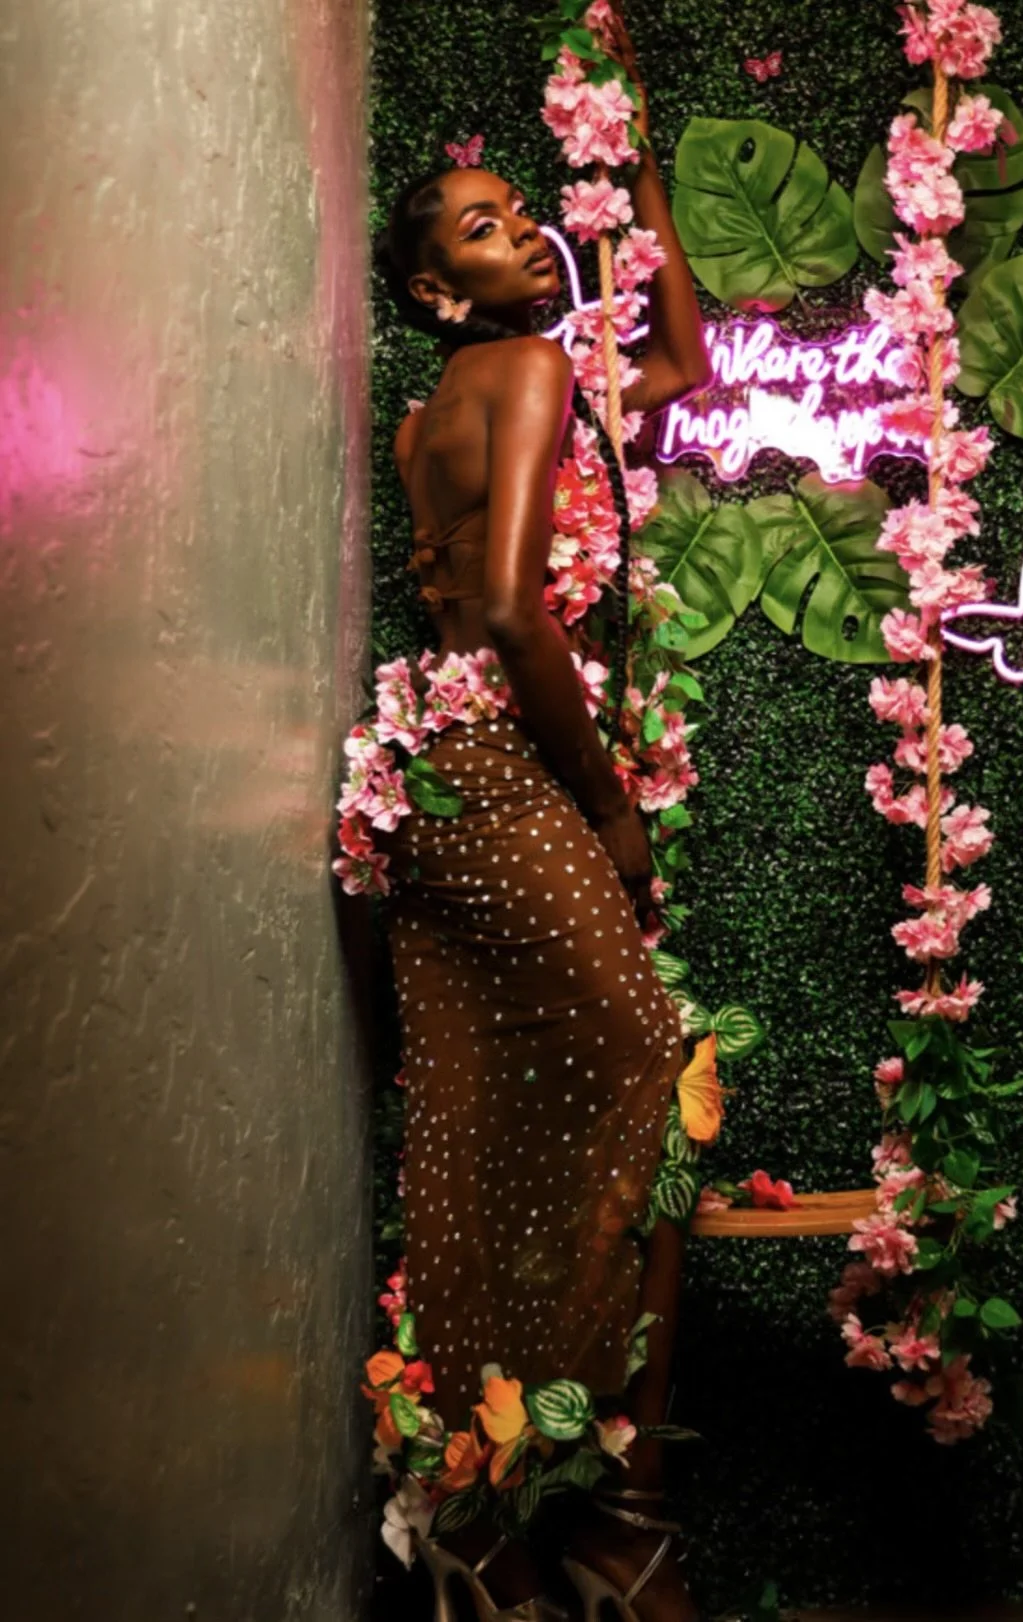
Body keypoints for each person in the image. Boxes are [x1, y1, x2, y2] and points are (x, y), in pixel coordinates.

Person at [363, 13, 712, 1622]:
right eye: (481, 226)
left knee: (481, 1129)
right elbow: (512, 605)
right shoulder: (519, 365)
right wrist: (617, 809)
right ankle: (617, 1509)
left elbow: (685, 367)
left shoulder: (437, 408)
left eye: (522, 208)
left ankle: (491, 1518)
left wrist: (632, 174)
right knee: (647, 1068)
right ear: (437, 290)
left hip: (427, 784)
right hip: (506, 767)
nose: (522, 233)